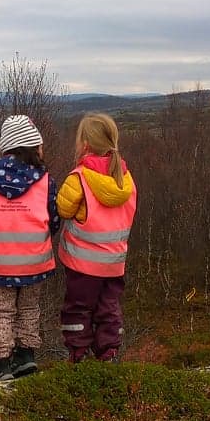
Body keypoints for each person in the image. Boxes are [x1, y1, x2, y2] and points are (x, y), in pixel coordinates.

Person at [0, 113, 60, 379]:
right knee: (29, 307)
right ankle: (26, 355)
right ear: (33, 147)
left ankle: (0, 362)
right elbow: (54, 216)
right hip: (35, 260)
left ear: (6, 146)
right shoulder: (45, 180)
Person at [57, 113, 137, 362]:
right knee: (109, 307)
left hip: (83, 264)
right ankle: (109, 352)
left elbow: (63, 208)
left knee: (79, 308)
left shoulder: (79, 177)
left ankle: (79, 354)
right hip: (114, 262)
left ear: (85, 145)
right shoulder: (125, 179)